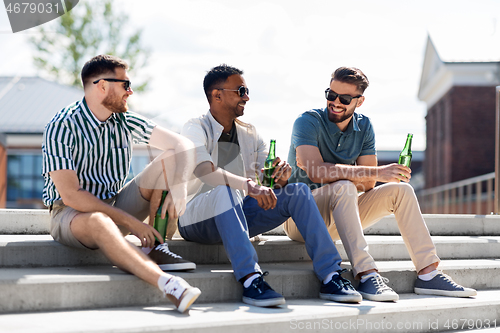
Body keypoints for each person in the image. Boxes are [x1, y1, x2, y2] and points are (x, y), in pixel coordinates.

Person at [284, 66, 477, 302]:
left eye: (344, 98)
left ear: (359, 101)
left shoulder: (364, 127)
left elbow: (368, 185)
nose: (335, 102)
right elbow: (314, 171)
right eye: (330, 94)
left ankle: (428, 273)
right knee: (343, 186)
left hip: (338, 212)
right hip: (299, 218)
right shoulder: (307, 121)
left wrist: (347, 173)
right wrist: (369, 172)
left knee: (401, 190)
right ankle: (366, 274)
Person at [178, 64, 362, 308]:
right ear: (217, 95)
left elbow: (269, 178)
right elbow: (204, 170)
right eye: (240, 90)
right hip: (195, 219)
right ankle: (250, 279)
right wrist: (250, 186)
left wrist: (282, 177)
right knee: (225, 188)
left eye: (247, 90)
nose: (247, 96)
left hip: (240, 212)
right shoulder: (195, 127)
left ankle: (331, 275)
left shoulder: (250, 134)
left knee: (297, 191)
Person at [41, 55, 201, 313]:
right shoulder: (62, 125)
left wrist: (180, 185)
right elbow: (71, 195)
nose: (131, 91)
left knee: (170, 158)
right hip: (70, 215)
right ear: (102, 86)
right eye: (125, 84)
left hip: (113, 202)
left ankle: (157, 246)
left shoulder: (124, 120)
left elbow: (183, 144)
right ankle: (169, 285)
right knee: (99, 221)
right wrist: (133, 222)